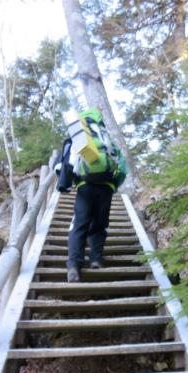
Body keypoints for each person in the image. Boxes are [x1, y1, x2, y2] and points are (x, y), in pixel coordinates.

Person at [56, 109, 127, 283]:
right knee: (100, 224)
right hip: (106, 187)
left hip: (85, 186)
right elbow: (123, 169)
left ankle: (74, 266)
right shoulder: (106, 140)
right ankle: (95, 259)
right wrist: (113, 186)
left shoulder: (81, 138)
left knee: (79, 224)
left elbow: (67, 164)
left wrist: (71, 182)